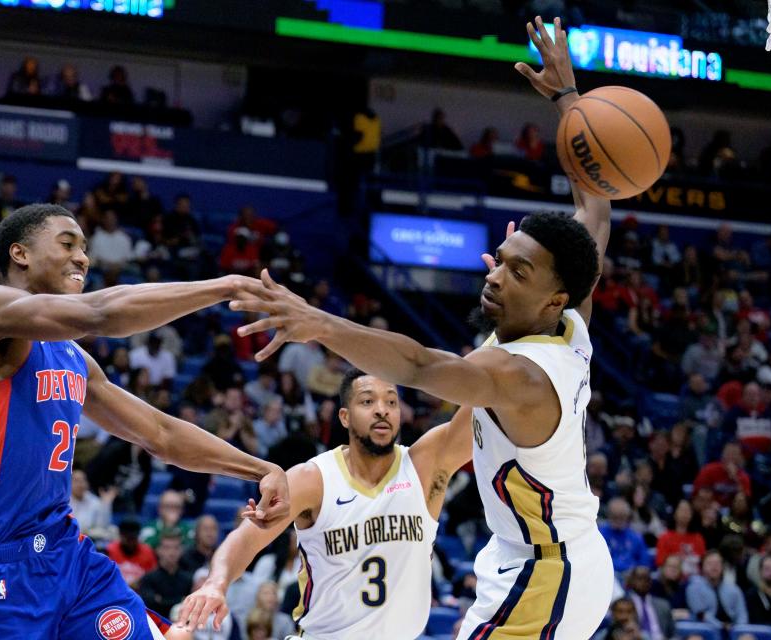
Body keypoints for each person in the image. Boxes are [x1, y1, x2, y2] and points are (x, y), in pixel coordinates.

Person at [227, 17, 614, 638]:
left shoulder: (518, 372)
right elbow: (594, 209)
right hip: (531, 559)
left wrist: (315, 321)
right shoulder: (566, 318)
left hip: (550, 569)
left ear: (554, 297)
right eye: (505, 259)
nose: (496, 275)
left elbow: (417, 365)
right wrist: (569, 100)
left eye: (519, 273)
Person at [0, 203, 288, 639]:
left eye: (85, 248)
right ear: (20, 253)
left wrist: (260, 468)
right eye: (68, 244)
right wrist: (226, 286)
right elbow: (100, 314)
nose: (83, 257)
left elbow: (159, 433)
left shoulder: (70, 358)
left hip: (68, 557)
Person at [179, 369, 472, 639]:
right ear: (344, 417)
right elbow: (245, 539)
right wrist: (217, 583)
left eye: (391, 402)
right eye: (368, 401)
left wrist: (506, 341)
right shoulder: (313, 479)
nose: (382, 409)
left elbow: (490, 399)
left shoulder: (425, 465)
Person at [685, 550, 748, 630]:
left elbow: (742, 614)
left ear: (722, 566)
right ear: (702, 567)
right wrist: (722, 626)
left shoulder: (734, 589)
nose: (714, 567)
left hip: (733, 628)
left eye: (717, 563)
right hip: (705, 629)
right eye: (709, 563)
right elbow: (701, 615)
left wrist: (740, 629)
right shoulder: (694, 588)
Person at [625, 566, 675, 640]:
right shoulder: (624, 604)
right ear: (631, 581)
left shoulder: (663, 605)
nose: (643, 582)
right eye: (639, 578)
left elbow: (672, 633)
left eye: (647, 579)